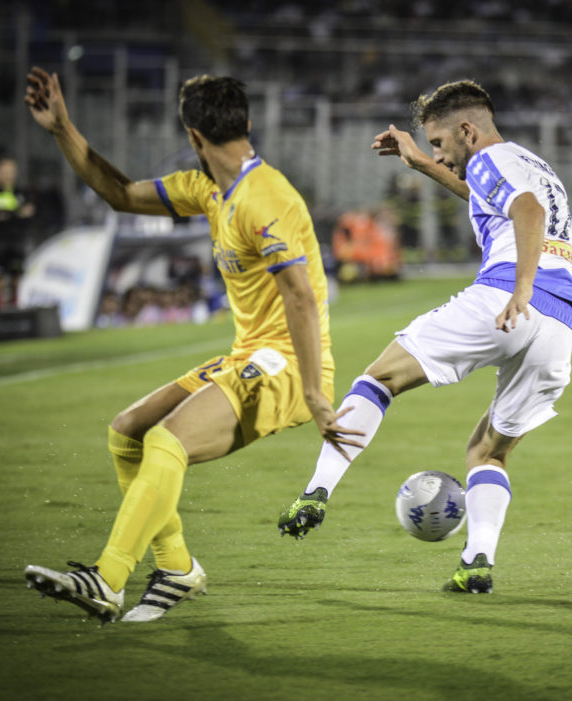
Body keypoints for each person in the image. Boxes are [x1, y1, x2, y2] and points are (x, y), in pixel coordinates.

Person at [21, 66, 358, 622]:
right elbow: (121, 193)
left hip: (288, 367)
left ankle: (107, 579)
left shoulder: (264, 198)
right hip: (249, 354)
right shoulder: (208, 190)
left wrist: (318, 395)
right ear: (245, 123)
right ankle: (176, 567)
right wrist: (63, 128)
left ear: (193, 136)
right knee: (128, 433)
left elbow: (299, 298)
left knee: (168, 441)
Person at [277, 80, 572, 594]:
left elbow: (527, 213)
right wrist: (422, 166)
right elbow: (497, 201)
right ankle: (476, 562)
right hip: (560, 322)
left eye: (441, 146)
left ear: (468, 131)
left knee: (379, 379)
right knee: (487, 454)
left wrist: (520, 289)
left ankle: (316, 491)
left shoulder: (492, 160)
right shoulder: (529, 163)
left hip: (507, 298)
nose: (440, 155)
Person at [0, 157, 35, 308]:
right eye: (4, 171)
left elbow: (29, 216)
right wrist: (18, 212)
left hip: (17, 242)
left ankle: (14, 307)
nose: (8, 175)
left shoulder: (22, 192)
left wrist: (7, 214)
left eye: (10, 171)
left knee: (15, 279)